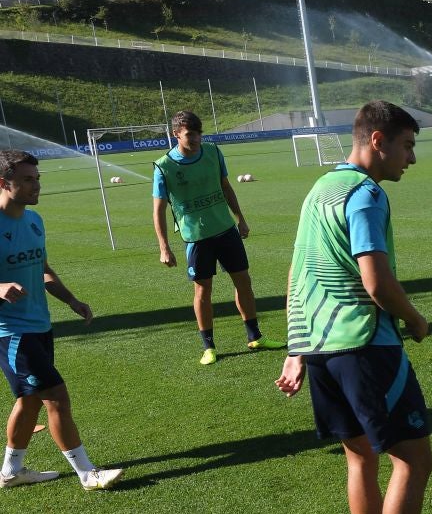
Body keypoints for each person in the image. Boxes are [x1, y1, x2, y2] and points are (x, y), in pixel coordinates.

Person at [275, 101, 432, 514]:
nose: (411, 159)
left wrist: (296, 348)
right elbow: (375, 281)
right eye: (407, 146)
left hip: (320, 349)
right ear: (378, 141)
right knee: (414, 460)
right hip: (365, 344)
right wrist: (415, 319)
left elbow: (298, 272)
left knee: (360, 458)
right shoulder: (366, 194)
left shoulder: (319, 189)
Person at [0, 151, 122, 490]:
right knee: (55, 396)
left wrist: (71, 300)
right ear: (3, 183)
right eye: (27, 179)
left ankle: (11, 471)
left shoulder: (34, 221)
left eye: (37, 178)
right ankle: (87, 474)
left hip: (40, 325)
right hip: (11, 332)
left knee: (29, 400)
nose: (36, 185)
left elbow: (43, 270)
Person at [152, 110, 285, 365]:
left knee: (244, 281)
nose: (196, 139)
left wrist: (240, 218)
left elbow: (226, 187)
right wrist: (164, 247)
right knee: (203, 290)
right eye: (189, 134)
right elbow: (158, 210)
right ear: (176, 134)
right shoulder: (164, 166)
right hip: (196, 237)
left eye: (198, 133)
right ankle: (209, 347)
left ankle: (255, 336)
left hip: (225, 229)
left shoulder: (213, 152)